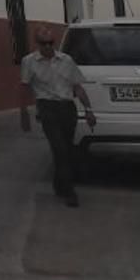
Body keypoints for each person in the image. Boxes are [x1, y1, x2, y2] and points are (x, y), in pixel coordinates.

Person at [20, 28, 96, 206]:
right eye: (43, 43)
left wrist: (88, 110)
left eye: (50, 43)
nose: (48, 47)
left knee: (66, 149)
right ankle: (69, 191)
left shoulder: (66, 60)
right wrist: (23, 113)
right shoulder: (29, 62)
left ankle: (59, 183)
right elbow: (24, 87)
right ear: (37, 44)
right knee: (59, 148)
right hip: (47, 108)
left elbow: (77, 87)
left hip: (67, 108)